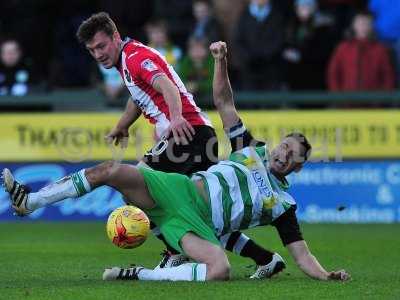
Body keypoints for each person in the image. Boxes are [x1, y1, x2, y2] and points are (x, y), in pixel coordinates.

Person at [3, 41, 350, 283]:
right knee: (111, 170)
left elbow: (302, 255)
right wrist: (220, 60)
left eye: (292, 156)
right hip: (179, 191)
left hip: (196, 226)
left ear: (298, 168)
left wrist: (326, 274)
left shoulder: (285, 207)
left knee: (219, 271)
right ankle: (31, 201)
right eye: (284, 146)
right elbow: (225, 102)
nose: (283, 154)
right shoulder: (250, 150)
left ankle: (143, 274)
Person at [76, 12, 276, 278]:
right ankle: (266, 259)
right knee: (202, 214)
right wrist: (123, 125)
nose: (98, 54)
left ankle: (174, 251)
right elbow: (138, 98)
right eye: (92, 50)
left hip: (188, 133)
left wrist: (176, 117)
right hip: (198, 133)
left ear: (115, 37)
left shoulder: (134, 57)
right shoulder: (126, 62)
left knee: (137, 184)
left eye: (101, 46)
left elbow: (166, 86)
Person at [327, 12, 395, 91]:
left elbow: (388, 76)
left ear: (372, 26)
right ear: (353, 25)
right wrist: (337, 96)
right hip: (346, 100)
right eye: (360, 23)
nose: (363, 27)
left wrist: (382, 98)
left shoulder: (380, 50)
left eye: (367, 23)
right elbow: (333, 73)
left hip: (373, 100)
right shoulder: (343, 48)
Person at [283, 0, 336, 90]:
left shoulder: (323, 28)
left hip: (315, 78)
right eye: (301, 7)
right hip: (295, 79)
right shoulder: (291, 26)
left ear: (314, 8)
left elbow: (323, 53)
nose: (304, 10)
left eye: (307, 6)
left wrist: (301, 56)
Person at [233, 0, 286, 90]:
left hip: (271, 68)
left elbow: (279, 40)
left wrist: (264, 56)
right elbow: (238, 40)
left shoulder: (277, 16)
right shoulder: (244, 16)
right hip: (248, 69)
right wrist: (248, 57)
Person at [179, 37, 213, 102]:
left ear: (207, 50)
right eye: (194, 49)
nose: (197, 52)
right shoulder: (185, 62)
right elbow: (179, 79)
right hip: (188, 96)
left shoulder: (211, 62)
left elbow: (213, 82)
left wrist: (197, 86)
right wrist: (186, 86)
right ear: (188, 51)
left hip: (210, 96)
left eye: (201, 48)